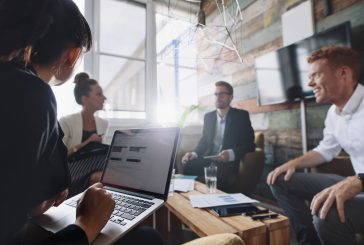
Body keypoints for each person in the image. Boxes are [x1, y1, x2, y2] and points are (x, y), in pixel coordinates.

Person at [0, 1, 163, 244]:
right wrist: (85, 225)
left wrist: (33, 202)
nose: (104, 97)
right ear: (73, 54)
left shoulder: (15, 83)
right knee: (149, 239)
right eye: (98, 93)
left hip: (41, 212)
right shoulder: (32, 94)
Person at [267, 45, 364, 245]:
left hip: (359, 183)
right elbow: (325, 150)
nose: (310, 83)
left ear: (343, 73)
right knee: (279, 179)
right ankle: (308, 242)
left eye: (316, 75)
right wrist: (292, 163)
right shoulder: (333, 113)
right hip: (355, 182)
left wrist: (359, 181)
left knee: (327, 213)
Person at [182, 81, 255, 192]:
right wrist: (194, 153)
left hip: (227, 162)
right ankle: (190, 199)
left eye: (222, 94)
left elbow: (250, 145)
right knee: (188, 164)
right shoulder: (208, 117)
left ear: (231, 97)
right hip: (210, 158)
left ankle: (216, 204)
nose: (218, 97)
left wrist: (230, 154)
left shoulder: (241, 116)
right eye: (216, 94)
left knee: (217, 171)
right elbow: (204, 141)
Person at [59, 72, 108, 157]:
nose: (104, 98)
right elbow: (59, 156)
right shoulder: (66, 122)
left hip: (98, 165)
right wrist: (88, 142)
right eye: (99, 94)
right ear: (84, 98)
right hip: (73, 167)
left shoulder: (104, 124)